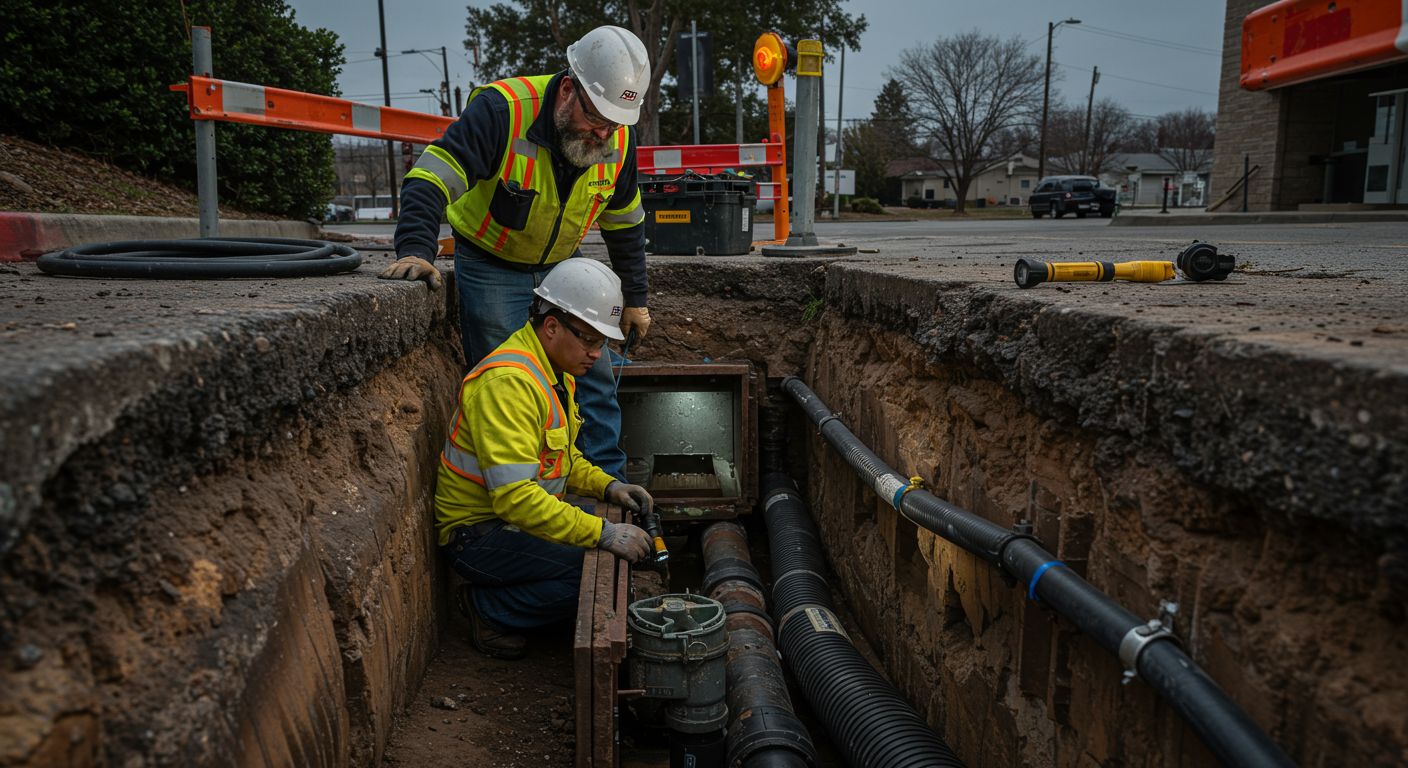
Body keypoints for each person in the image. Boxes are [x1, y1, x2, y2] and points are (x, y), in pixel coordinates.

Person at [380, 25, 653, 481]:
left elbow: (625, 223)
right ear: (568, 89)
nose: (602, 134)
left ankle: (606, 483)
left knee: (594, 372)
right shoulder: (502, 112)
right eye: (595, 120)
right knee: (506, 377)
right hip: (491, 262)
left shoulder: (616, 139)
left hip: (562, 268)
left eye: (613, 124)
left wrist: (637, 298)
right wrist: (416, 249)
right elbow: (429, 178)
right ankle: (526, 491)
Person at [435, 258, 656, 659]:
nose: (596, 353)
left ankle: (508, 597)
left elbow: (563, 459)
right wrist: (603, 534)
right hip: (478, 536)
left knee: (603, 560)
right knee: (591, 576)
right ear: (551, 326)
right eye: (589, 339)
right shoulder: (509, 384)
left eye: (601, 342)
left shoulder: (554, 372)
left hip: (508, 521)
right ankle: (487, 610)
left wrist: (609, 485)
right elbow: (516, 497)